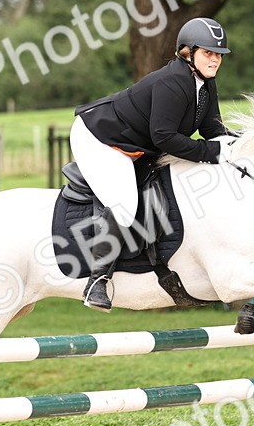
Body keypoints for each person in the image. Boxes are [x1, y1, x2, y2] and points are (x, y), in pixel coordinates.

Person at [69, 16, 235, 311]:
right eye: (208, 53)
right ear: (188, 52)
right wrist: (212, 152)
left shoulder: (205, 86)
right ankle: (97, 280)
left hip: (135, 144)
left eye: (219, 54)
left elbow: (214, 132)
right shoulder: (173, 81)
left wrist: (243, 146)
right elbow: (163, 137)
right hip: (101, 138)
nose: (215, 60)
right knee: (124, 203)